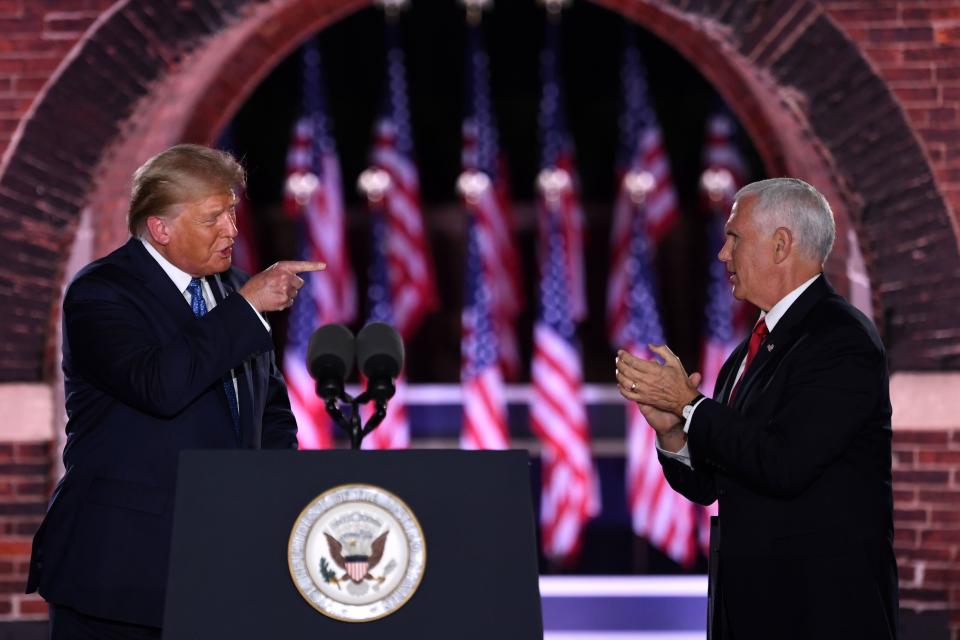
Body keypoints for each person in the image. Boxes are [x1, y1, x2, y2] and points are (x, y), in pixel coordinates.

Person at [26, 144, 325, 638]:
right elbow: (160, 385)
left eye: (232, 212)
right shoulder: (102, 292)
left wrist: (275, 497)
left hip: (223, 568)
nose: (231, 229)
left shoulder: (232, 291)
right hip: (121, 574)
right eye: (213, 218)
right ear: (161, 229)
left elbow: (268, 411)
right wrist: (247, 308)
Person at [615, 178, 898, 639]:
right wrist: (673, 431)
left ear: (781, 244)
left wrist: (691, 404)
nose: (723, 254)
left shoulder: (841, 340)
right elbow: (709, 482)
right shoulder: (752, 348)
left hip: (821, 617)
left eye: (734, 238)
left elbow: (783, 463)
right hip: (751, 613)